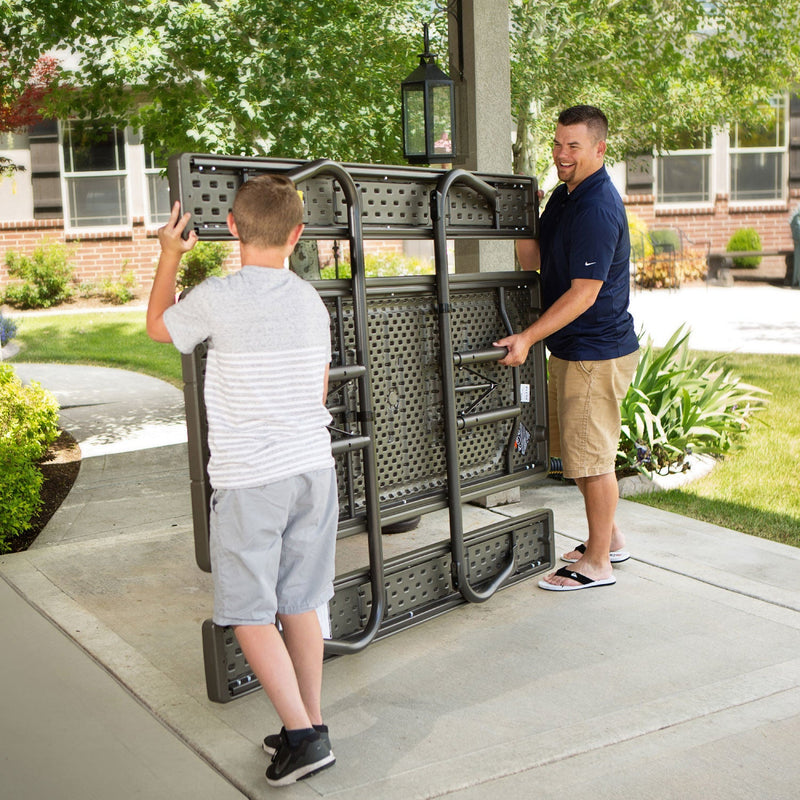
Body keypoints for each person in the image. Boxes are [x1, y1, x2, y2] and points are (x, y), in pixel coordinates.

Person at [147, 175, 338, 786]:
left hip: (253, 478)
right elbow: (321, 385)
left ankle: (304, 740)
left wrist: (170, 253)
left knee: (251, 612)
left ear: (233, 227)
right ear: (297, 235)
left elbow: (159, 327)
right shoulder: (311, 300)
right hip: (314, 468)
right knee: (301, 602)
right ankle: (307, 723)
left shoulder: (217, 296)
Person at [494, 105, 639, 592]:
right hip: (576, 349)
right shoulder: (565, 195)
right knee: (578, 457)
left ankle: (599, 563)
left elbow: (585, 292)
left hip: (595, 352)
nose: (561, 154)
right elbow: (533, 258)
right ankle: (610, 538)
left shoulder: (597, 206)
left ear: (599, 149)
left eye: (573, 146)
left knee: (592, 461)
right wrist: (523, 215)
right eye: (557, 144)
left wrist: (527, 337)